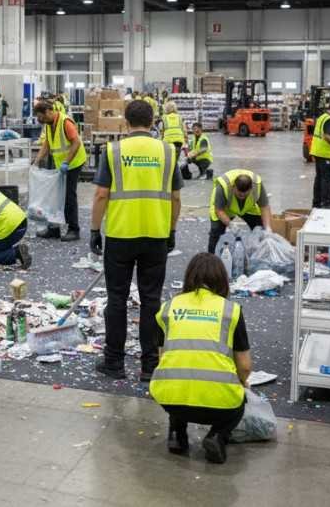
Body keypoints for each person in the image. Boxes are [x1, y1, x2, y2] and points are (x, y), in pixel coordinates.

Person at [89, 99, 181, 381]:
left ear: (126, 122)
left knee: (117, 299)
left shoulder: (113, 151)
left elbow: (101, 194)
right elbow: (176, 198)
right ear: (153, 121)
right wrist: (171, 230)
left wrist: (94, 230)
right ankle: (150, 365)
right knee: (151, 300)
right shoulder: (167, 151)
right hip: (155, 235)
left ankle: (114, 363)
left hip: (120, 235)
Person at [150, 253, 252, 464]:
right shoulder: (230, 311)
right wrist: (242, 384)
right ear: (222, 280)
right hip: (220, 405)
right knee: (239, 400)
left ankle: (177, 435)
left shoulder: (168, 308)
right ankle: (217, 436)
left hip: (171, 399)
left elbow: (164, 358)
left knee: (179, 382)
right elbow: (245, 365)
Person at [33, 99, 86, 242]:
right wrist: (36, 161)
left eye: (42, 117)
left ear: (49, 111)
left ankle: (74, 230)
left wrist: (66, 163)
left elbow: (76, 142)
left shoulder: (65, 122)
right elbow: (47, 144)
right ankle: (54, 229)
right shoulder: (49, 124)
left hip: (73, 163)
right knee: (56, 196)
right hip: (61, 165)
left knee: (69, 195)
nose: (42, 120)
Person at [207, 170, 273, 253]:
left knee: (261, 229)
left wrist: (267, 228)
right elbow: (219, 210)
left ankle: (260, 256)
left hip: (248, 207)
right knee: (216, 231)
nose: (242, 197)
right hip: (225, 208)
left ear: (251, 189)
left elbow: (264, 207)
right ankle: (212, 258)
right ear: (233, 187)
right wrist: (231, 225)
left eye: (245, 195)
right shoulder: (223, 187)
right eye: (239, 195)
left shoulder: (257, 185)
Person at [310, 100, 330, 209]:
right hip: (325, 153)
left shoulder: (322, 117)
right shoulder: (329, 119)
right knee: (326, 179)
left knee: (319, 178)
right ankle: (327, 203)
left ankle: (317, 203)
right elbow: (327, 136)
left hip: (318, 151)